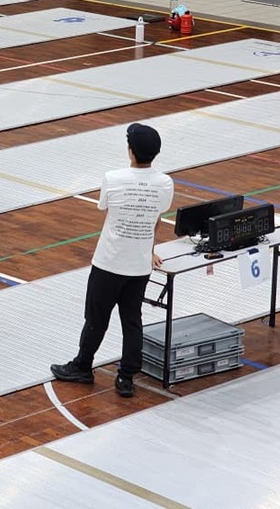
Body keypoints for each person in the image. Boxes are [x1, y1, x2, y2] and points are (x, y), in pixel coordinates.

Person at [50, 123, 174, 397]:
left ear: (131, 152)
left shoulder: (113, 178)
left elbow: (105, 208)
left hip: (108, 263)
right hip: (140, 266)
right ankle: (127, 377)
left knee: (96, 318)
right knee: (132, 320)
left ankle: (83, 366)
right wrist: (149, 250)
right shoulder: (165, 183)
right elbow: (155, 218)